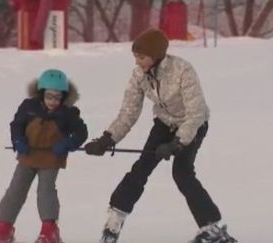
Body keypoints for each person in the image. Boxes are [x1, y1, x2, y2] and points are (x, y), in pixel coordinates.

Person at [84, 29, 237, 243]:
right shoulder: (139, 75)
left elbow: (196, 113)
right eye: (135, 57)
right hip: (164, 124)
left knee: (182, 173)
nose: (138, 62)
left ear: (156, 56)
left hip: (191, 125)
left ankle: (213, 229)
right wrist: (108, 139)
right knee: (142, 167)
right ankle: (114, 220)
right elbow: (129, 112)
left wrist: (178, 143)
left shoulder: (182, 70)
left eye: (142, 57)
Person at [0, 69, 88, 243]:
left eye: (57, 98)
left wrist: (67, 144)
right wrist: (18, 140)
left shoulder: (68, 113)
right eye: (49, 97)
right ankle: (4, 228)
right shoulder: (28, 107)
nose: (53, 102)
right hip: (28, 155)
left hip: (51, 159)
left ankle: (49, 230)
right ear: (41, 94)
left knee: (45, 191)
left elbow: (81, 133)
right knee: (16, 189)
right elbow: (16, 124)